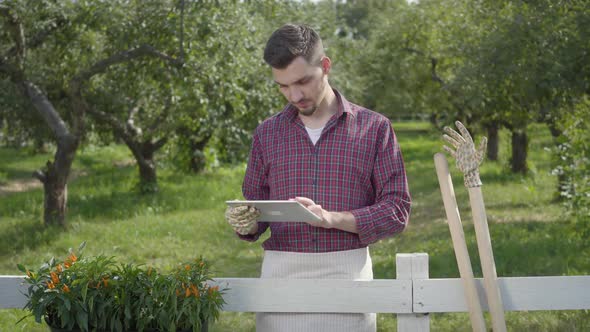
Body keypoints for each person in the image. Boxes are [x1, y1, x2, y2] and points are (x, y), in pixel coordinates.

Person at [225, 23, 411, 332]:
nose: (294, 95)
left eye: (303, 81)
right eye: (283, 86)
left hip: (348, 276)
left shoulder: (374, 128)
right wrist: (247, 223)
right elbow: (257, 216)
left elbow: (397, 211)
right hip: (279, 281)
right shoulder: (266, 134)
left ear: (325, 66)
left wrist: (331, 219)